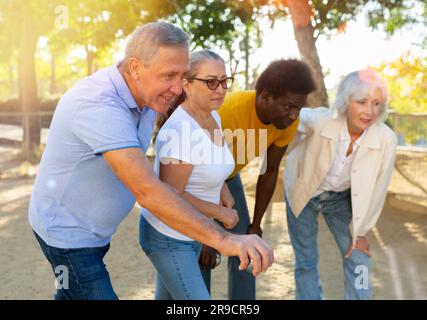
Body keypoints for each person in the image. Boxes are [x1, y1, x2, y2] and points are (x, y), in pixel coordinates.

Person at [28, 22, 273, 300]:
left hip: (95, 234)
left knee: (73, 293)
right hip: (66, 239)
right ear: (135, 67)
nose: (177, 88)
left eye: (182, 75)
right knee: (80, 289)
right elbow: (147, 191)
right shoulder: (100, 105)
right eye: (168, 75)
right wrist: (224, 239)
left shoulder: (145, 95)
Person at [199, 59, 316, 300]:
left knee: (247, 249)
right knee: (202, 254)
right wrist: (206, 235)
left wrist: (256, 224)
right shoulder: (227, 112)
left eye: (299, 109)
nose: (294, 115)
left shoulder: (286, 122)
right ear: (265, 96)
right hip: (197, 180)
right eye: (289, 106)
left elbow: (270, 170)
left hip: (228, 178)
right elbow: (201, 171)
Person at [283, 69, 397, 300]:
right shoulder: (323, 120)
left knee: (360, 258)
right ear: (346, 101)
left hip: (339, 199)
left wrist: (361, 231)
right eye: (362, 102)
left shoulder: (386, 139)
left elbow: (378, 188)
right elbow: (292, 116)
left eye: (376, 103)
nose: (369, 111)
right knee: (306, 260)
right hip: (303, 193)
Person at [139, 50, 238, 300]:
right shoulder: (181, 132)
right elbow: (171, 195)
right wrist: (219, 212)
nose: (221, 88)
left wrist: (223, 190)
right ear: (187, 85)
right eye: (210, 81)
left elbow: (211, 161)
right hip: (169, 237)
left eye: (225, 81)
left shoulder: (212, 115)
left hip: (193, 230)